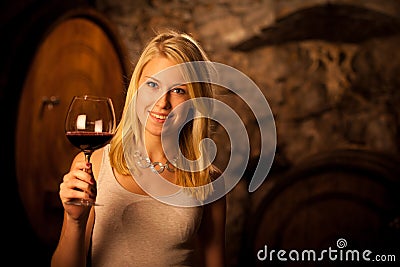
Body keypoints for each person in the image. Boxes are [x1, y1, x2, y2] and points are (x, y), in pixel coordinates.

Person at [51, 29, 226, 267]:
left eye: (178, 90)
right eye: (153, 84)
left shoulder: (208, 178)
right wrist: (75, 222)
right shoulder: (97, 163)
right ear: (136, 89)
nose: (162, 102)